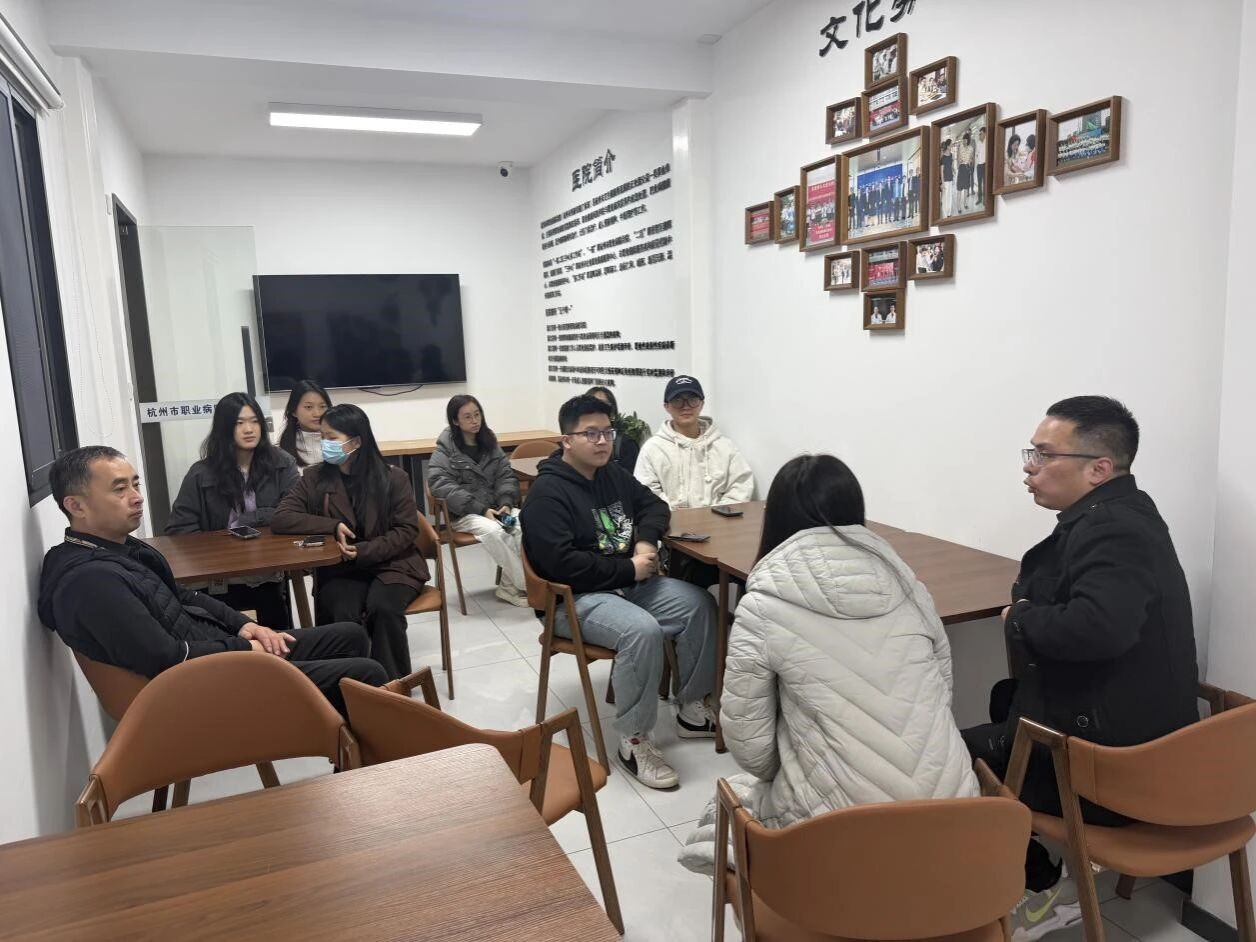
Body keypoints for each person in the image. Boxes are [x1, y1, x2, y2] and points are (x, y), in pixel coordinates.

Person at [962, 396, 1198, 941]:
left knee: (941, 755)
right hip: (1135, 736)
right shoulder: (1123, 514)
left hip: (1112, 765)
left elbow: (1098, 628)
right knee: (1000, 704)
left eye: (1044, 455)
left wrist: (1021, 617)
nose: (1030, 467)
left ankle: (1041, 886)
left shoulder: (1113, 529)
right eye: (1031, 453)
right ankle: (1041, 868)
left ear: (1098, 468)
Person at [678, 455, 978, 874]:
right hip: (956, 818)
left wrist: (801, 765)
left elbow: (747, 742)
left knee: (730, 800)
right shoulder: (909, 585)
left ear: (775, 517)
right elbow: (943, 687)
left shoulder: (764, 602)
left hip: (838, 837)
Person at [39, 446, 386, 717]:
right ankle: (357, 764)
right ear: (76, 506)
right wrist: (247, 651)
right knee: (365, 673)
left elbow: (183, 596)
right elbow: (167, 657)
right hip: (201, 690)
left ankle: (346, 755)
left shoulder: (122, 549)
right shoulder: (91, 582)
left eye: (135, 484)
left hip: (216, 655)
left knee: (351, 635)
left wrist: (245, 627)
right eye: (119, 489)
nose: (137, 496)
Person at [520, 394, 719, 790]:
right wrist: (629, 567)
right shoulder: (547, 493)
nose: (602, 441)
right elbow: (560, 565)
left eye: (607, 432)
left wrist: (644, 543)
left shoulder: (612, 474)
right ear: (567, 440)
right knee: (641, 631)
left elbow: (655, 506)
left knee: (699, 604)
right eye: (590, 433)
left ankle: (692, 709)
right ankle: (634, 740)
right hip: (573, 599)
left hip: (628, 584)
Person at [271, 404, 428, 681]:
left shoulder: (394, 478)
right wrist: (331, 526)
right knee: (342, 612)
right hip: (342, 567)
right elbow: (282, 518)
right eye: (322, 437)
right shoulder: (314, 477)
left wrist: (363, 551)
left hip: (393, 564)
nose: (325, 444)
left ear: (356, 442)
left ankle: (392, 685)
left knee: (384, 608)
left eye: (332, 438)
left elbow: (406, 530)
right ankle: (348, 683)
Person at [166, 392, 300, 628]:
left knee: (276, 630)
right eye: (239, 423)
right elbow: (180, 530)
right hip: (218, 577)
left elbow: (294, 512)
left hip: (265, 572)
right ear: (224, 429)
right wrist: (218, 550)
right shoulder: (201, 473)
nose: (249, 429)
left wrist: (250, 519)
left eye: (254, 421)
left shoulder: (282, 463)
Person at [635, 375, 754, 587]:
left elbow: (741, 485)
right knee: (689, 585)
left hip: (721, 536)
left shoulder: (724, 446)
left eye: (692, 399)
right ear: (667, 406)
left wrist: (713, 519)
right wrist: (677, 517)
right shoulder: (652, 449)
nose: (686, 406)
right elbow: (646, 494)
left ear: (702, 403)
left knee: (751, 572)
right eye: (678, 400)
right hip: (673, 540)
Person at [428, 394, 528, 608]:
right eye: (467, 417)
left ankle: (508, 587)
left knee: (525, 524)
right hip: (465, 513)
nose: (475, 421)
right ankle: (527, 584)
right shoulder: (445, 449)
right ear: (455, 421)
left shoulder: (490, 443)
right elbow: (440, 485)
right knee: (496, 531)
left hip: (497, 509)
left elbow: (505, 476)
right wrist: (481, 509)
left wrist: (506, 502)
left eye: (477, 414)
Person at [587, 385, 642, 473]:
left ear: (613, 414)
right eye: (592, 406)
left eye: (604, 407)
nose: (598, 412)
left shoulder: (627, 444)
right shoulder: (578, 440)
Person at [278, 380, 332, 468]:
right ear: (294, 411)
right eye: (309, 407)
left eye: (322, 406)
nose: (317, 414)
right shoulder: (281, 452)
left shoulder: (339, 444)